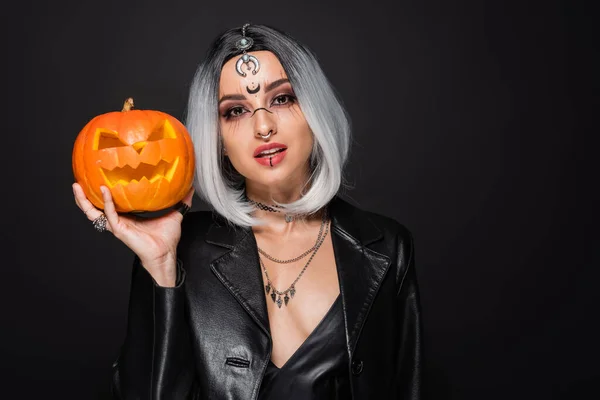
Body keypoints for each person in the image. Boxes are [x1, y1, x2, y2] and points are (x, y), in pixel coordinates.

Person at [72, 23, 421, 400]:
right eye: (236, 111)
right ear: (218, 139)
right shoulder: (182, 250)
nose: (264, 126)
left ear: (314, 112)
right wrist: (159, 268)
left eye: (283, 99)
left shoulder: (386, 247)